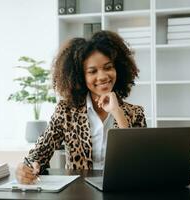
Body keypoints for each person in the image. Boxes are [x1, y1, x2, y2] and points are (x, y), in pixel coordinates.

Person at [15, 30, 147, 184]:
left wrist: (117, 112)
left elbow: (140, 162)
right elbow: (40, 153)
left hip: (121, 190)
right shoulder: (66, 111)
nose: (103, 76)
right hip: (79, 192)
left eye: (108, 67)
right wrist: (27, 168)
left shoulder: (135, 113)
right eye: (92, 71)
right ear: (80, 76)